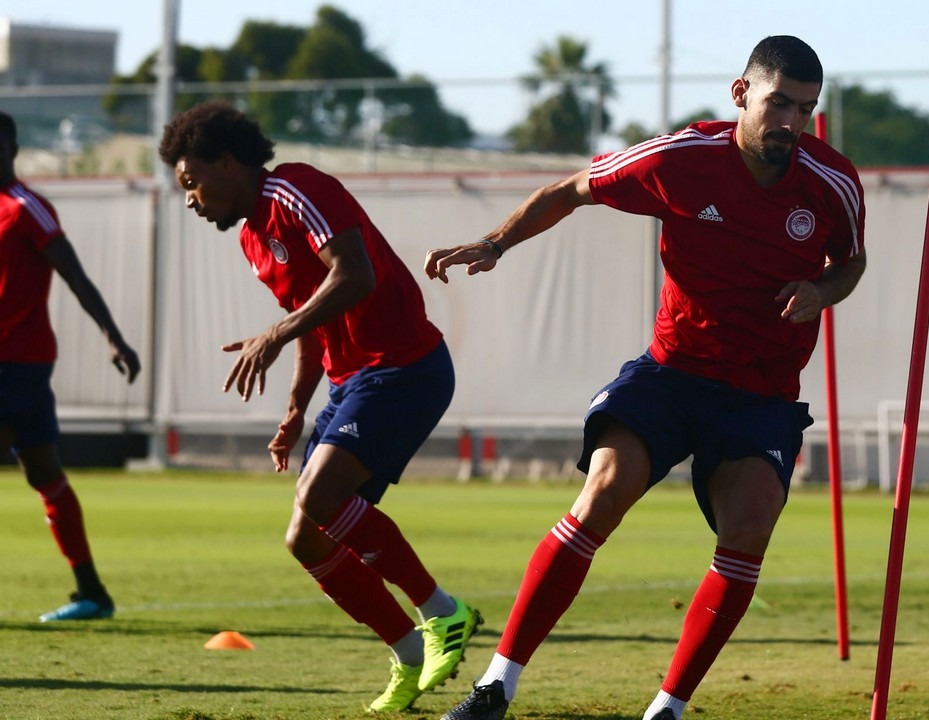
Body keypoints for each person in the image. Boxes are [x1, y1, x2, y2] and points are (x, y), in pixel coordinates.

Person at [425, 35, 867, 720]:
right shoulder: (680, 159)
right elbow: (569, 190)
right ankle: (496, 686)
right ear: (741, 92)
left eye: (805, 110)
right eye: (778, 103)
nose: (790, 123)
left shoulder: (833, 181)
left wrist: (823, 290)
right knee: (603, 490)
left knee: (750, 526)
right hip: (673, 373)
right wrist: (495, 243)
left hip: (761, 393)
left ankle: (667, 710)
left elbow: (852, 263)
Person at [157, 101, 481, 713]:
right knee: (304, 538)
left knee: (320, 498)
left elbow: (353, 276)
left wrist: (272, 338)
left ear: (228, 164)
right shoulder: (254, 238)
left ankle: (445, 612)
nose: (192, 200)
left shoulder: (294, 189)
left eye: (193, 182)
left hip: (402, 367)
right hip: (350, 382)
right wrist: (295, 409)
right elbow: (314, 318)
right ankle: (410, 652)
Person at [0, 111, 142, 622]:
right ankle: (92, 592)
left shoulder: (26, 209)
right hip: (17, 366)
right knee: (46, 475)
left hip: (16, 365)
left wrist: (113, 336)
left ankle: (92, 592)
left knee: (44, 475)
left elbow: (75, 276)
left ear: (12, 148)